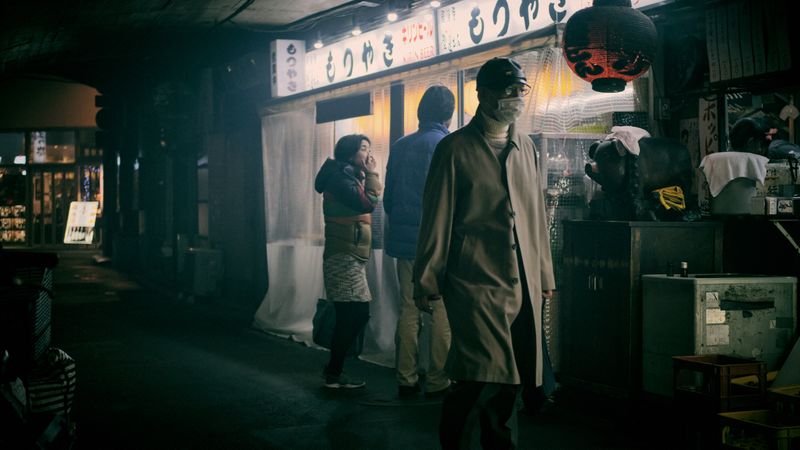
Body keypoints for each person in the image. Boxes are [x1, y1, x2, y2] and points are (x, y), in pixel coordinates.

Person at [413, 57, 555, 449]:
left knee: (512, 376)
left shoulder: (524, 146)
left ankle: (497, 445)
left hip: (522, 277)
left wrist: (544, 275)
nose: (515, 97)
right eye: (507, 89)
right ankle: (455, 442)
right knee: (480, 375)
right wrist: (427, 279)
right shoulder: (453, 148)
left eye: (519, 89)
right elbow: (436, 217)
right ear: (484, 94)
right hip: (474, 279)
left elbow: (535, 216)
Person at [384, 85, 455, 399]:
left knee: (410, 309)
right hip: (439, 244)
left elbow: (387, 199)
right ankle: (439, 380)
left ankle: (406, 378)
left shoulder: (400, 146)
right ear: (449, 114)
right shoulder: (447, 145)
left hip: (406, 244)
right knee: (441, 310)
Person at [314, 134, 382, 389]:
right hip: (343, 255)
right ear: (350, 152)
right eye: (364, 148)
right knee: (351, 314)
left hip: (349, 254)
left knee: (355, 314)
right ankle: (334, 372)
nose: (368, 153)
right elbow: (369, 204)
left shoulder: (347, 175)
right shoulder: (341, 177)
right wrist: (373, 174)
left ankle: (334, 369)